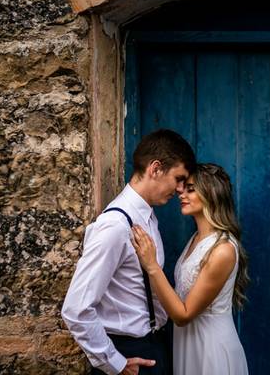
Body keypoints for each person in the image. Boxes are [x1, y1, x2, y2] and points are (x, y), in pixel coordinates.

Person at [62, 129, 196, 375]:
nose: (180, 189)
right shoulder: (114, 226)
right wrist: (115, 363)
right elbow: (76, 309)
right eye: (178, 178)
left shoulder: (147, 217)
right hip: (129, 352)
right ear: (155, 169)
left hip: (154, 345)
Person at [130, 163, 250, 375]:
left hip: (211, 348)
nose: (181, 194)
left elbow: (184, 315)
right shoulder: (196, 238)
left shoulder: (222, 249)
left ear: (211, 193)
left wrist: (151, 266)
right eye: (183, 188)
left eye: (191, 189)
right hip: (187, 344)